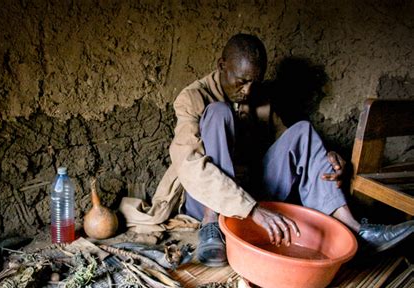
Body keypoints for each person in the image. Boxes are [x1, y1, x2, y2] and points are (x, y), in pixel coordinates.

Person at [119, 33, 414, 267]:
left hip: (253, 188)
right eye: (241, 80)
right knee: (219, 113)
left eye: (254, 82)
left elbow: (289, 142)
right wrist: (252, 209)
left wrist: (325, 157)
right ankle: (212, 227)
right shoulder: (193, 98)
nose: (247, 90)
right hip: (207, 201)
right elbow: (189, 163)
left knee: (303, 130)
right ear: (222, 65)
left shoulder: (260, 97)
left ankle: (354, 230)